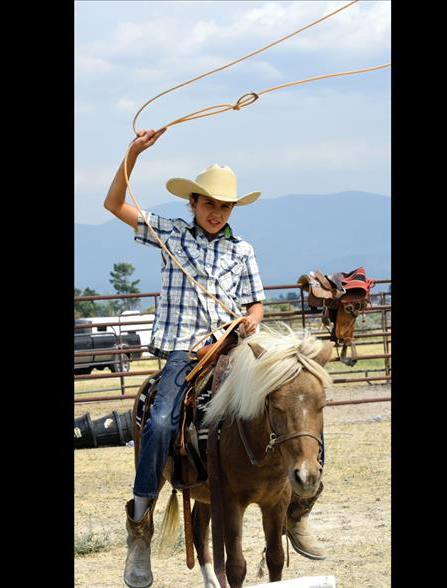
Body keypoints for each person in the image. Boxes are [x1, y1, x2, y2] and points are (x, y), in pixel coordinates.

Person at [104, 128, 324, 588]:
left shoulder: (242, 250)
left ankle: (298, 503)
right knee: (162, 420)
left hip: (236, 350)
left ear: (231, 210)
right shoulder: (169, 235)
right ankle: (140, 523)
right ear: (193, 204)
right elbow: (115, 205)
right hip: (184, 351)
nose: (215, 212)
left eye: (224, 206)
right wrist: (132, 154)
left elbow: (256, 302)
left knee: (298, 399)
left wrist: (251, 322)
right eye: (208, 204)